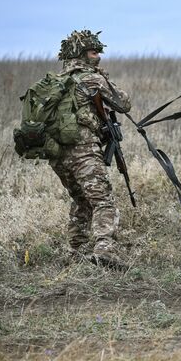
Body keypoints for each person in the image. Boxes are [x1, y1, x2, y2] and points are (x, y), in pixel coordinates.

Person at [53, 30, 131, 269]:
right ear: (81, 54)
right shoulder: (91, 78)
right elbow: (123, 103)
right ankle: (104, 250)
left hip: (57, 155)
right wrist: (103, 78)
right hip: (83, 151)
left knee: (81, 200)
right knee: (103, 201)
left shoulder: (56, 81)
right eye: (94, 52)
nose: (99, 57)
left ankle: (75, 252)